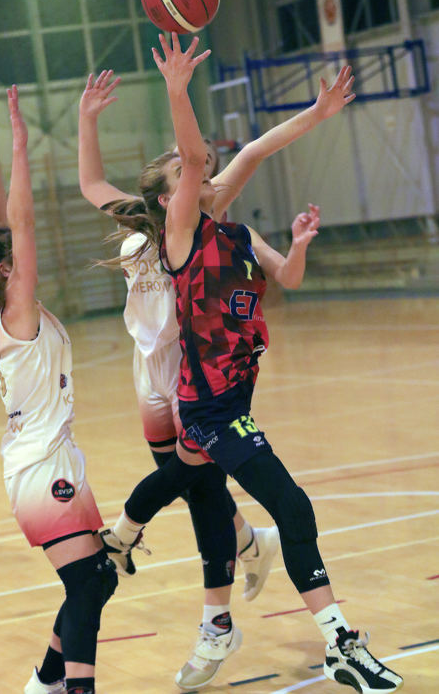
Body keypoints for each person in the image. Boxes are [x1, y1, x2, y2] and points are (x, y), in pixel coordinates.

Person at [95, 34, 403, 693]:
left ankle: (119, 535)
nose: (202, 171)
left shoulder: (236, 234)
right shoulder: (180, 238)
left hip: (230, 397)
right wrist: (177, 90)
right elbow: (193, 157)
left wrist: (316, 118)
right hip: (208, 406)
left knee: (186, 481)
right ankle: (340, 643)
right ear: (173, 196)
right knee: (291, 506)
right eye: (188, 174)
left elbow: (280, 247)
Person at [78, 69, 280, 602]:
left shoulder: (202, 209)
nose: (193, 167)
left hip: (192, 362)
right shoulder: (143, 218)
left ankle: (144, 544)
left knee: (195, 479)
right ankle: (250, 542)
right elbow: (92, 185)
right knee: (182, 477)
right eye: (181, 164)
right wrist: (87, 119)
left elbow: (249, 155)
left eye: (193, 164)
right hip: (147, 364)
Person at [0, 87, 117, 694]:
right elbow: (23, 225)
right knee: (87, 582)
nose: (22, 254)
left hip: (50, 456)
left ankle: (47, 681)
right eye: (14, 257)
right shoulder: (19, 311)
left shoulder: (4, 310)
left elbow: (3, 232)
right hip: (39, 467)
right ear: (7, 271)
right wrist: (21, 144)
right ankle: (74, 688)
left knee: (99, 579)